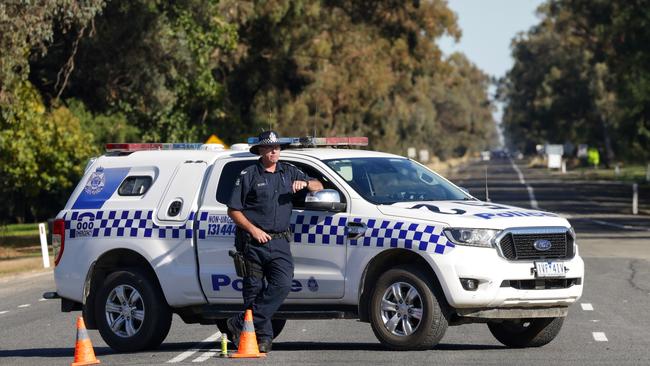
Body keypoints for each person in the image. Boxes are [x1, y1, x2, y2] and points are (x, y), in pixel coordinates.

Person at [226, 130, 323, 353]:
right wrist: (253, 229)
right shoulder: (249, 174)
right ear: (260, 150)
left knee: (283, 284)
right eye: (270, 148)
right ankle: (263, 339)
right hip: (253, 243)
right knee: (254, 291)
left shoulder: (289, 172)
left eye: (277, 148)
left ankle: (240, 322)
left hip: (279, 242)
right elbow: (233, 210)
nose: (274, 151)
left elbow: (318, 185)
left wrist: (306, 185)